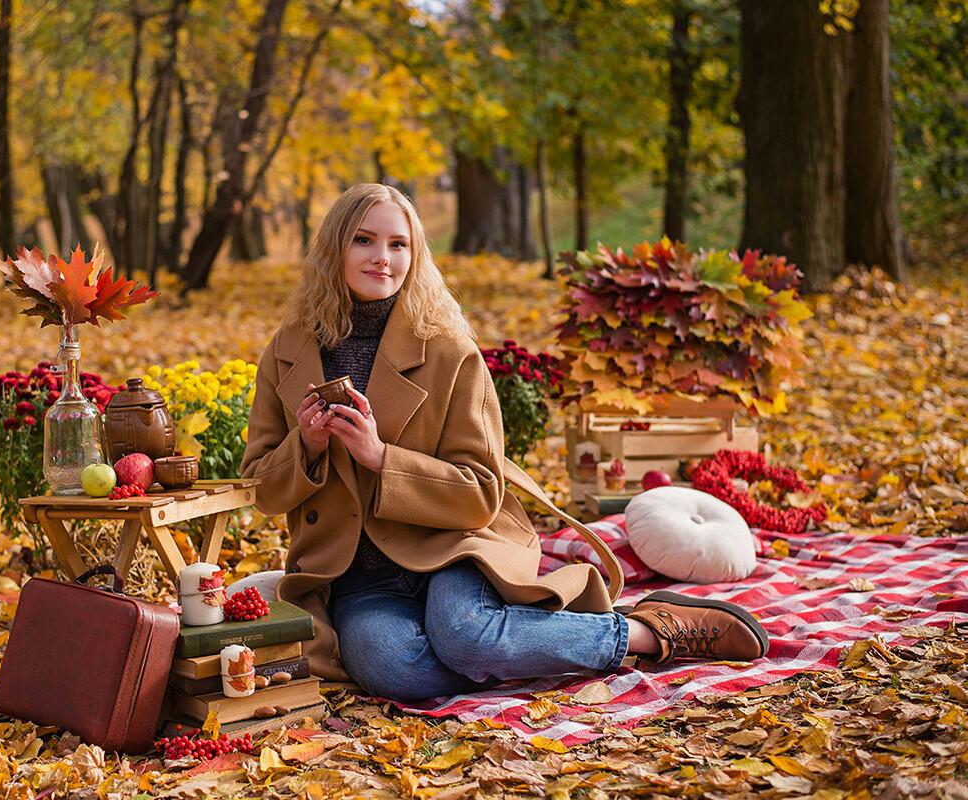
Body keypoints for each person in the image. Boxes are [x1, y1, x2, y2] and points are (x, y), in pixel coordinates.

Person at [239, 183, 768, 701]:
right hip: (356, 575)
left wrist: (380, 458)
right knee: (397, 671)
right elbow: (259, 489)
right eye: (364, 240)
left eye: (398, 244)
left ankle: (648, 633)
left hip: (453, 548)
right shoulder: (286, 354)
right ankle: (516, 642)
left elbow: (481, 492)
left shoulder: (449, 351)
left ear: (415, 254)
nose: (383, 258)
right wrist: (305, 447)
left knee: (465, 637)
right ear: (335, 247)